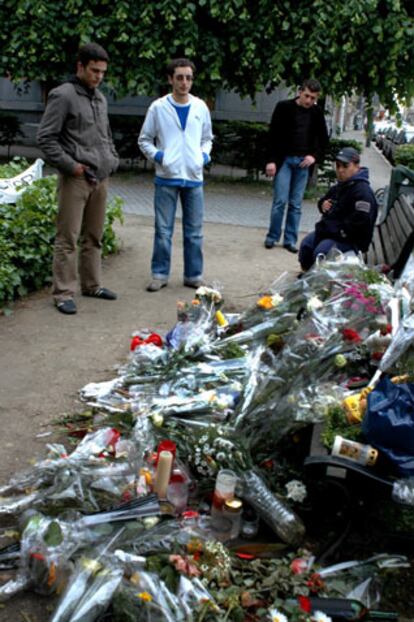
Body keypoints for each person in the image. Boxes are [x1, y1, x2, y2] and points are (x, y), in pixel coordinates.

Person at [37, 42, 119, 315]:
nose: (99, 77)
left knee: (94, 236)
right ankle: (63, 293)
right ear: (80, 67)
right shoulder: (63, 95)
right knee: (67, 237)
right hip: (76, 178)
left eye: (103, 72)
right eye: (94, 71)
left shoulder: (100, 98)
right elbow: (46, 139)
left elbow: (105, 134)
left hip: (100, 177)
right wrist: (72, 167)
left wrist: (112, 158)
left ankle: (92, 285)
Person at [138, 58, 213, 292]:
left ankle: (193, 275)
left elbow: (207, 138)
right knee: (163, 230)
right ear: (170, 79)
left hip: (193, 178)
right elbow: (144, 140)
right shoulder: (158, 108)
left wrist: (203, 157)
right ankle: (159, 274)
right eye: (179, 77)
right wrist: (160, 157)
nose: (184, 82)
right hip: (166, 177)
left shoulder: (201, 107)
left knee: (194, 232)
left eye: (188, 78)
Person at [264, 79, 329, 253]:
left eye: (313, 98)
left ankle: (290, 240)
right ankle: (272, 236)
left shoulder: (316, 112)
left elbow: (323, 139)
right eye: (307, 96)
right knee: (279, 201)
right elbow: (273, 135)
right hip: (284, 160)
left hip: (303, 162)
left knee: (296, 204)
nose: (309, 101)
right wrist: (271, 160)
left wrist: (313, 156)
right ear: (300, 91)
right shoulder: (283, 107)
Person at [299, 147, 378, 271]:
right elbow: (324, 200)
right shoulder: (342, 185)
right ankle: (309, 276)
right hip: (331, 232)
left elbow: (359, 224)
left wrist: (333, 231)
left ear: (357, 166)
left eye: (345, 166)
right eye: (338, 166)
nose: (340, 170)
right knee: (306, 246)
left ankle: (319, 281)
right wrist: (322, 204)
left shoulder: (362, 192)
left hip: (350, 240)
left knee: (321, 252)